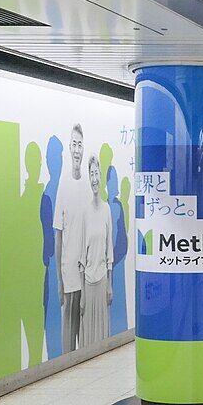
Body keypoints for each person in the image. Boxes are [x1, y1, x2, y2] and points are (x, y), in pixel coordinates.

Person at [53, 124, 89, 355]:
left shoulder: (88, 185)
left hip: (88, 275)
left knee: (85, 337)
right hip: (69, 277)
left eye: (80, 145)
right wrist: (60, 280)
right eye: (74, 144)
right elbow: (58, 236)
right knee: (68, 341)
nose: (77, 150)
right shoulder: (63, 185)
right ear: (69, 148)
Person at [80, 154, 113, 345]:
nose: (94, 179)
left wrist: (109, 284)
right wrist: (83, 294)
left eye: (96, 174)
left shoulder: (107, 209)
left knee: (102, 332)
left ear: (101, 176)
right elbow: (81, 257)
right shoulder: (85, 212)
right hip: (88, 281)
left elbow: (109, 251)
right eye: (91, 174)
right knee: (88, 333)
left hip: (102, 279)